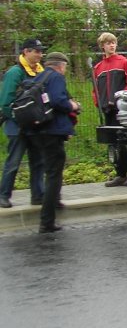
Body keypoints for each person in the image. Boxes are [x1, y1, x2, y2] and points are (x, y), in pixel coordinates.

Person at [26, 52, 80, 233]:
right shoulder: (56, 77)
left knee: (46, 168)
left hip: (36, 130)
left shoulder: (39, 77)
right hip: (52, 131)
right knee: (54, 173)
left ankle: (53, 201)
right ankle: (47, 220)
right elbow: (58, 101)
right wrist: (72, 106)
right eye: (65, 67)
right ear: (61, 65)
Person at [0, 39, 46, 208]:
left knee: (38, 161)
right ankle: (3, 195)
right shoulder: (15, 72)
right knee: (13, 163)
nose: (40, 55)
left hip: (34, 125)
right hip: (17, 126)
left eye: (41, 52)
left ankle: (38, 195)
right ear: (26, 52)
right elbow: (5, 102)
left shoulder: (40, 71)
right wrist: (18, 119)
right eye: (36, 51)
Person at [92, 32, 127, 186]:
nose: (111, 45)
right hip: (106, 108)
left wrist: (122, 100)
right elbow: (95, 90)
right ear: (102, 46)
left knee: (120, 140)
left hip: (120, 109)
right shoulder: (98, 68)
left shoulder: (123, 62)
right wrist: (98, 103)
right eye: (108, 43)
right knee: (111, 142)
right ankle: (121, 174)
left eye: (113, 42)